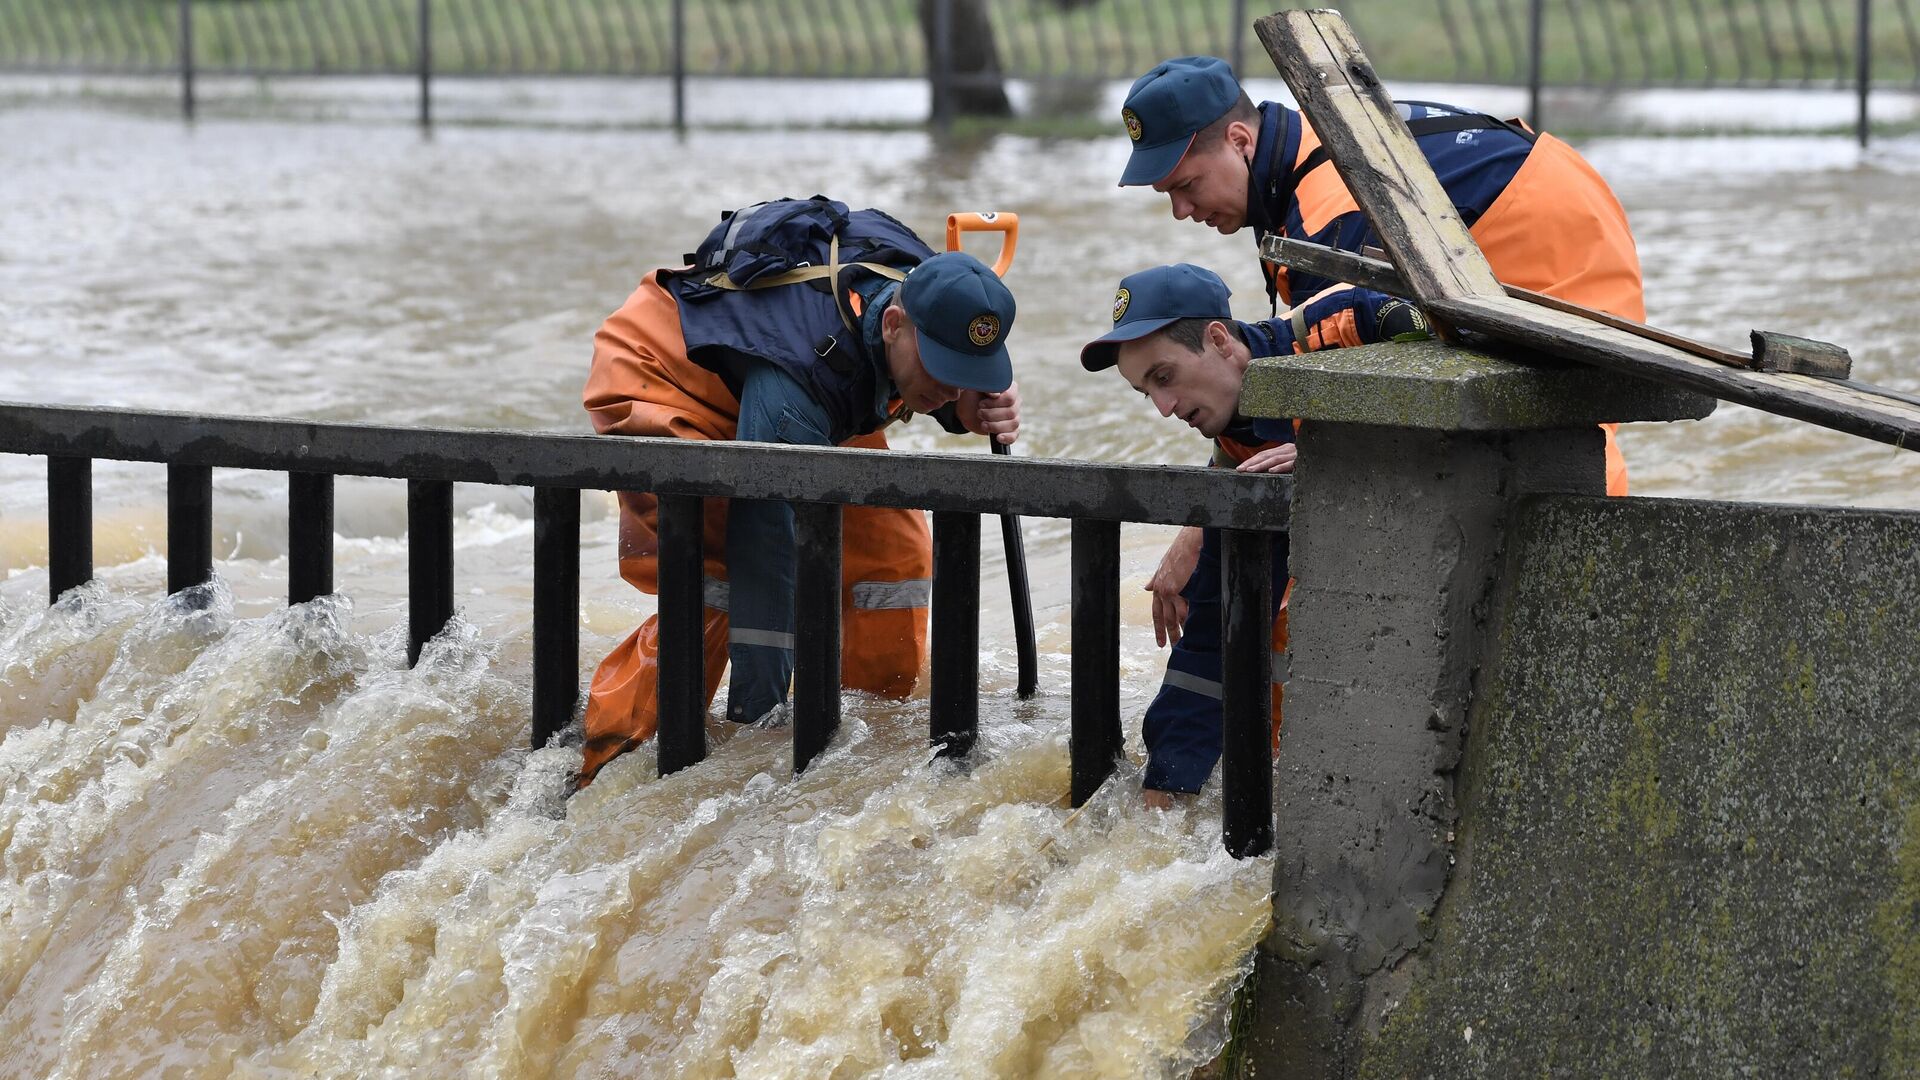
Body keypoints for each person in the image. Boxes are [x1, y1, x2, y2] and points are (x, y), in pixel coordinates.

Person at [1099, 56, 1647, 803]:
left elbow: (1342, 353)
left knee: (1476, 502)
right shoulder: (1308, 177)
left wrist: (1324, 436)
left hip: (1550, 282)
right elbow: (1305, 366)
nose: (1181, 212)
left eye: (1186, 185)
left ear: (1238, 140)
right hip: (1525, 259)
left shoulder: (1330, 211)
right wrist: (1216, 512)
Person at [577, 196, 1022, 788]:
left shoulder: (924, 291)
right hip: (663, 374)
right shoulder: (804, 378)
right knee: (721, 581)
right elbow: (766, 546)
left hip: (808, 392)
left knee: (892, 557)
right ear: (894, 325)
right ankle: (608, 763)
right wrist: (766, 738)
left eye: (968, 369)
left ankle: (864, 746)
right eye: (942, 368)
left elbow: (918, 374)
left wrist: (968, 406)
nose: (950, 382)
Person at [1082, 263, 1299, 806]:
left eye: (1164, 377)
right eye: (1145, 392)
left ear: (1219, 340)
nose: (1163, 408)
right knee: (1212, 626)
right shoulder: (1235, 426)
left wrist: (1336, 445)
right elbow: (1205, 651)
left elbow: (1449, 350)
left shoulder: (1336, 324)